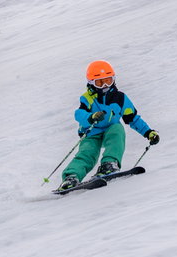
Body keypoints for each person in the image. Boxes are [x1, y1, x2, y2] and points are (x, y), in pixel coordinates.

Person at [59, 60, 159, 191]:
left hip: (110, 130)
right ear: (91, 83)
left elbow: (133, 118)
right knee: (88, 153)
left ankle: (109, 164)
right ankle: (71, 177)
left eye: (108, 80)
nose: (105, 85)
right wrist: (91, 117)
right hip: (91, 133)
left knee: (117, 129)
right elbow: (79, 114)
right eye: (99, 82)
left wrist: (148, 132)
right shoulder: (87, 98)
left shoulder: (120, 98)